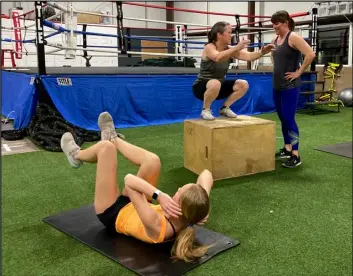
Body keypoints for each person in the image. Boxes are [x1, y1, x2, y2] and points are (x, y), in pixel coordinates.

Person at [60, 111, 214, 263]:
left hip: (113, 212)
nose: (177, 189)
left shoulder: (158, 225)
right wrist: (203, 202)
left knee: (105, 148)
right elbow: (207, 174)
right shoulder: (189, 214)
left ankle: (76, 156)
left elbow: (129, 181)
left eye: (179, 192)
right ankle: (113, 138)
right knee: (153, 161)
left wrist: (159, 195)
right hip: (138, 205)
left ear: (180, 208)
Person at [193, 21, 275, 120]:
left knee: (243, 84)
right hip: (201, 87)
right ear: (219, 35)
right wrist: (236, 47)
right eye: (229, 32)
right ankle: (205, 110)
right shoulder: (209, 47)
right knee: (215, 83)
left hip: (218, 85)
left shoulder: (229, 49)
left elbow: (249, 57)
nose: (231, 36)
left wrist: (262, 52)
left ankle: (224, 108)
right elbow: (217, 57)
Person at [270, 10, 316, 168]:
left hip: (290, 86)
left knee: (289, 119)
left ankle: (296, 154)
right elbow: (274, 57)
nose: (274, 26)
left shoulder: (293, 37)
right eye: (273, 23)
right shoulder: (275, 39)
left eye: (276, 23)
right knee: (283, 118)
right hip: (277, 85)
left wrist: (299, 72)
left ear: (285, 23)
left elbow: (310, 54)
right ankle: (287, 148)